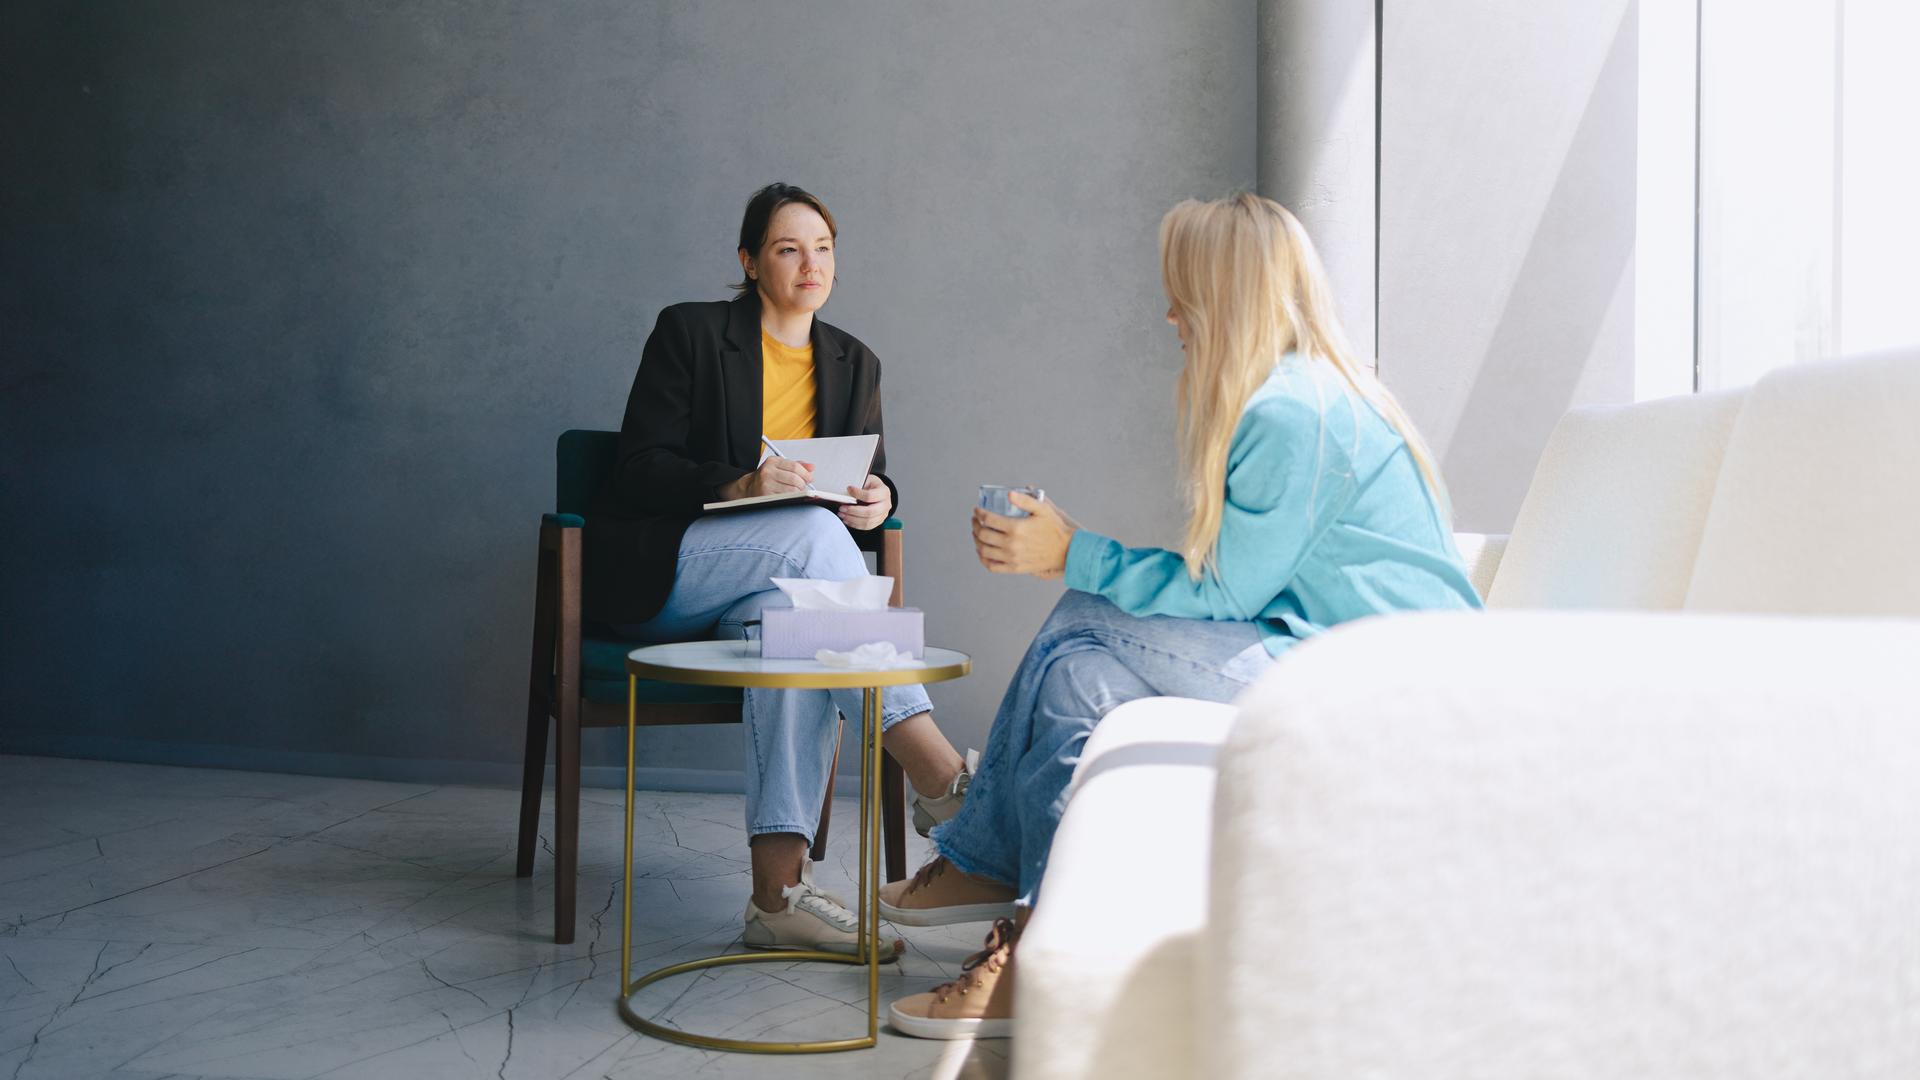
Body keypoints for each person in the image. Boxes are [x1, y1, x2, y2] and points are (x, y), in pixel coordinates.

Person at [881, 193, 1484, 1040]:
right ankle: (1036, 949)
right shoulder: (1303, 394)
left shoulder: (1292, 412)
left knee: (1082, 617)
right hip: (1328, 654)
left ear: (1227, 298)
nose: (1169, 313)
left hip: (1374, 686)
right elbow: (1236, 586)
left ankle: (985, 859)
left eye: (1184, 295)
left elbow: (1224, 597)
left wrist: (1071, 550)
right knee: (1081, 674)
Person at [585, 183, 981, 955]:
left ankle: (777, 899)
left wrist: (878, 500)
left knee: (805, 630)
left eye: (823, 248)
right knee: (804, 536)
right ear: (748, 261)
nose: (811, 264)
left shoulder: (854, 362)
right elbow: (636, 468)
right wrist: (738, 485)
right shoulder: (692, 333)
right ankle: (935, 774)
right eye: (788, 248)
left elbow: (870, 478)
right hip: (669, 574)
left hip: (765, 587)